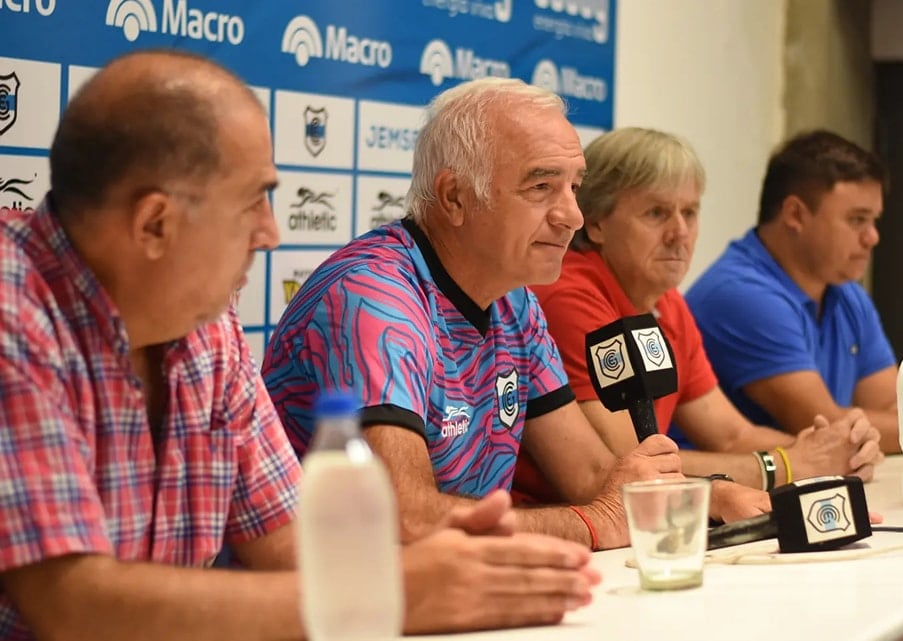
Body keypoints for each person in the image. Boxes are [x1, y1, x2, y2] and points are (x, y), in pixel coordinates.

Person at [0, 50, 602, 640]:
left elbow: (287, 544)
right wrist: (393, 592)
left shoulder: (209, 328)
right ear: (155, 224)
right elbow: (70, 605)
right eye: (252, 201)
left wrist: (442, 572)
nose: (271, 232)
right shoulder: (13, 310)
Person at [263, 77, 771, 555]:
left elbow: (592, 474)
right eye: (541, 188)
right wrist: (594, 523)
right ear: (454, 197)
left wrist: (711, 496)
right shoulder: (373, 297)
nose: (572, 215)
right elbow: (401, 518)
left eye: (574, 187)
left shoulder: (514, 299)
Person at [511, 127, 883, 503]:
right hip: (554, 526)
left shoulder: (668, 302)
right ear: (595, 224)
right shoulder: (569, 295)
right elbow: (630, 464)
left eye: (689, 212)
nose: (680, 233)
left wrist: (834, 450)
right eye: (657, 213)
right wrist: (788, 465)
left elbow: (731, 434)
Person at [685, 130, 900, 453]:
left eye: (874, 220)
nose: (872, 237)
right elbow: (826, 427)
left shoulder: (845, 291)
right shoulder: (741, 295)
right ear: (795, 214)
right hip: (715, 493)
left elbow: (897, 410)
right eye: (857, 220)